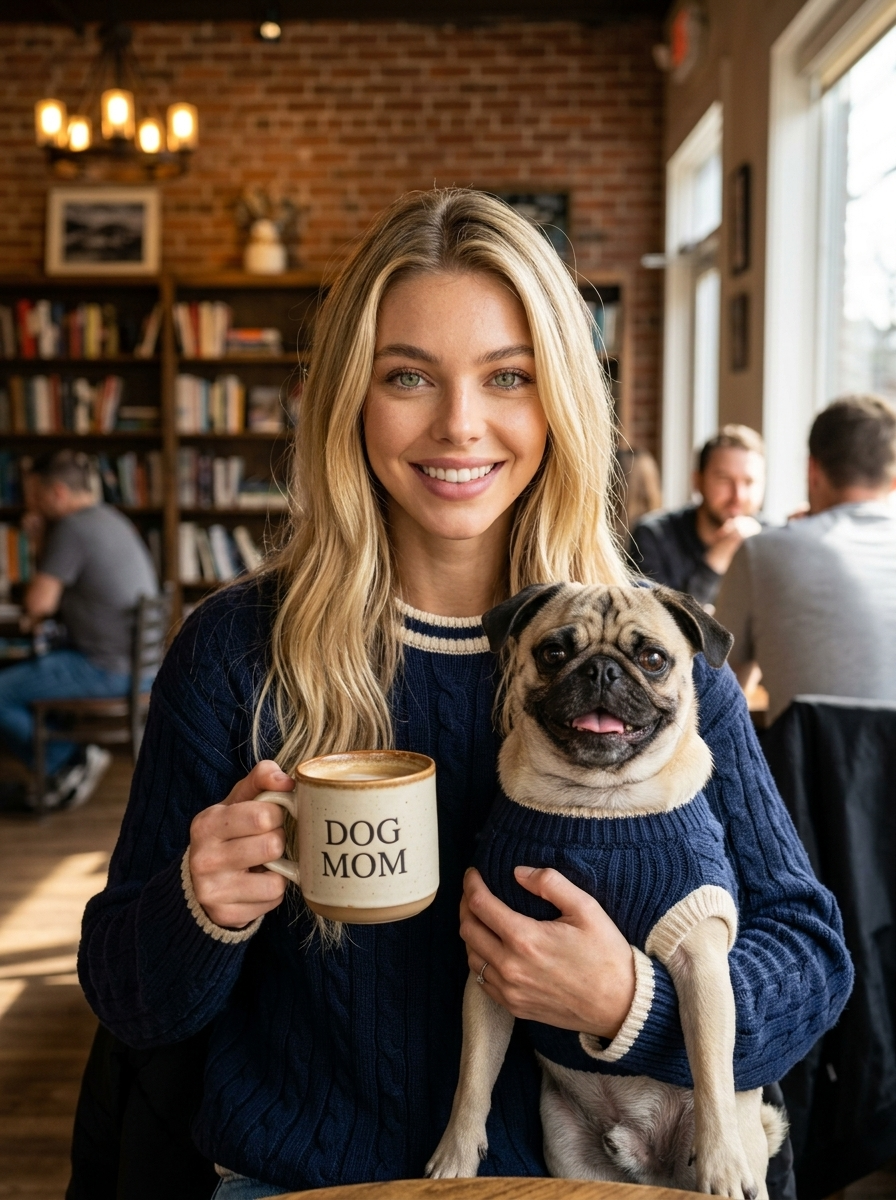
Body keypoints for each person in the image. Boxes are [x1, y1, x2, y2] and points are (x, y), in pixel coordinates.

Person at [77, 190, 851, 1199]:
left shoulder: (658, 660)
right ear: (349, 398)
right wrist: (200, 905)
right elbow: (127, 999)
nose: (458, 425)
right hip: (300, 1183)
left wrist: (632, 1002)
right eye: (407, 376)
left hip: (584, 1184)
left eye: (507, 377)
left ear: (559, 398)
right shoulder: (236, 653)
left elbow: (810, 964)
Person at [715, 395, 896, 724]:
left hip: (807, 757)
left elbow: (721, 692)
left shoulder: (762, 553)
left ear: (812, 471)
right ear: (893, 480)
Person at [0, 449, 158, 810]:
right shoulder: (111, 518)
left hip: (106, 670)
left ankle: (67, 763)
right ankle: (68, 759)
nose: (32, 506)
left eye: (35, 497)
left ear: (57, 492)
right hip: (140, 668)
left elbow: (39, 604)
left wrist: (39, 541)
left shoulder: (72, 528)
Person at [629, 425, 766, 608]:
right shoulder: (654, 536)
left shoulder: (774, 539)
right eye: (724, 479)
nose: (738, 496)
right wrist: (717, 558)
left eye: (749, 482)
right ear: (698, 481)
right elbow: (658, 620)